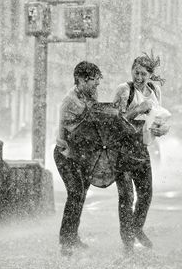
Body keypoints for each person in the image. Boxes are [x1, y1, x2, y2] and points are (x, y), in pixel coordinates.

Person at [113, 51, 170, 254]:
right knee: (127, 197)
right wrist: (138, 109)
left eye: (143, 74)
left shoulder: (155, 90)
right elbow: (115, 123)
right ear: (131, 71)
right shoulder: (124, 90)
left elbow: (161, 120)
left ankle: (137, 228)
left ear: (150, 75)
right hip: (121, 150)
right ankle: (127, 241)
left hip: (142, 149)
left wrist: (163, 129)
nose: (138, 78)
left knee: (146, 194)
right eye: (136, 73)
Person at [54, 61, 103, 255]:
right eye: (93, 82)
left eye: (98, 82)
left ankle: (72, 236)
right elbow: (78, 133)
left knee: (80, 195)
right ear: (81, 80)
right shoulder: (70, 102)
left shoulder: (91, 95)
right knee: (75, 193)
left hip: (83, 155)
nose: (96, 86)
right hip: (66, 154)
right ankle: (65, 241)